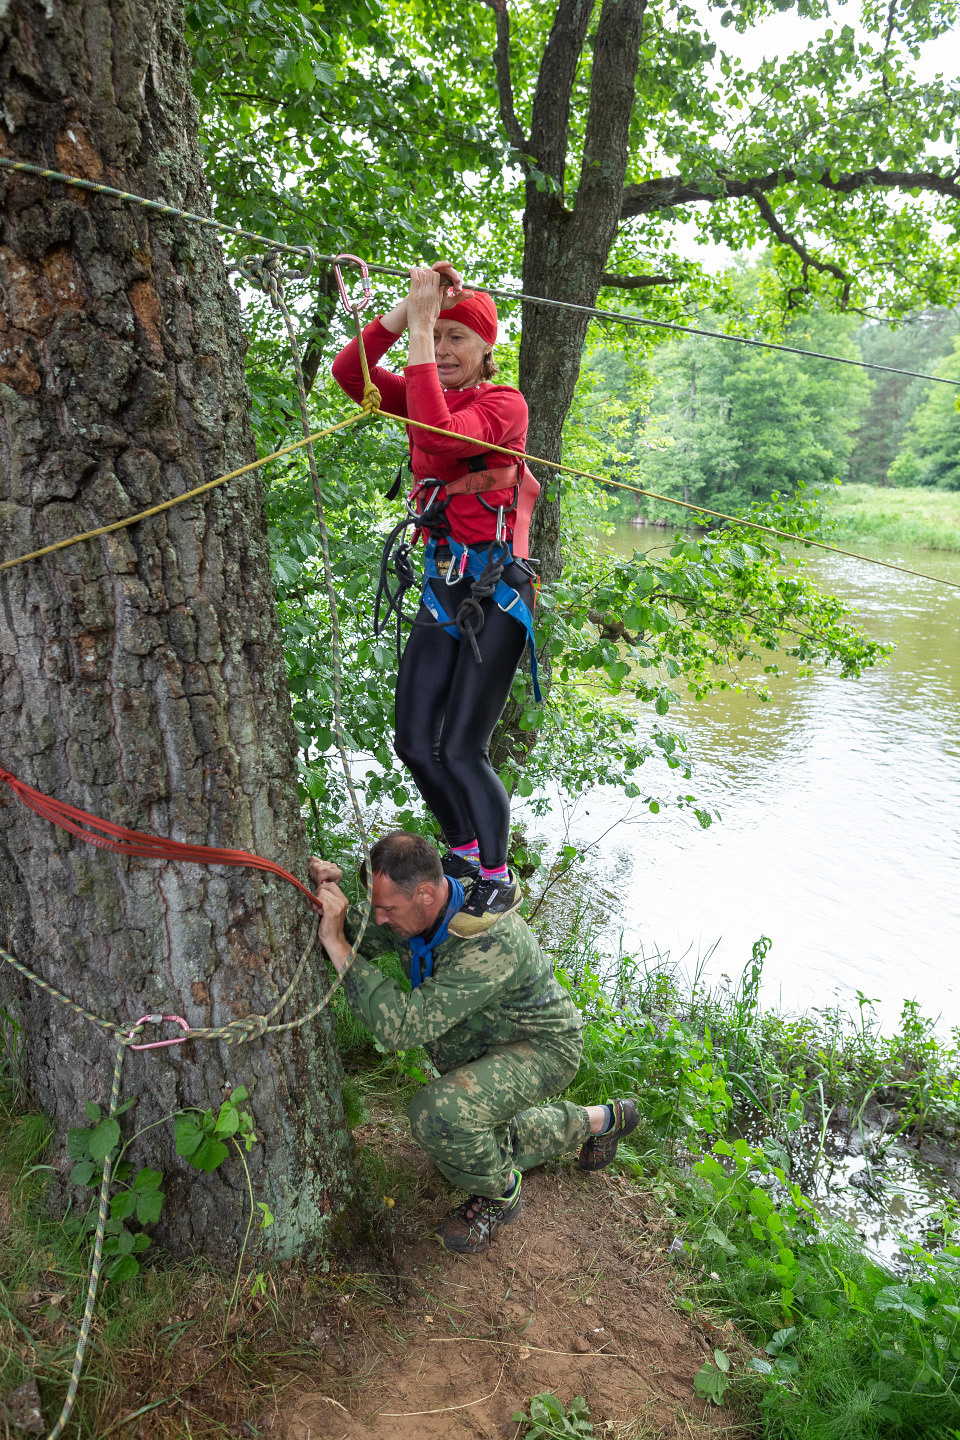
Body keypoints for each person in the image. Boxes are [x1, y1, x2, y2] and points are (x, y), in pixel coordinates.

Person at [309, 833, 639, 1255]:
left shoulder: (487, 939)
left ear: (425, 894)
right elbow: (353, 930)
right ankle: (605, 1120)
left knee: (441, 1116)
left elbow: (402, 1027)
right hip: (490, 1039)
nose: (378, 919)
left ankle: (500, 1192)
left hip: (541, 1048)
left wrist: (336, 944)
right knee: (483, 1138)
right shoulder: (420, 909)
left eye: (386, 909)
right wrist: (325, 894)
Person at [331, 264, 540, 924]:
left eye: (458, 338)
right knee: (416, 743)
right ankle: (467, 852)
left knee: (462, 749)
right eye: (439, 337)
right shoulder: (430, 394)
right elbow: (348, 376)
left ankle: (498, 876)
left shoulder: (503, 405)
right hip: (445, 583)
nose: (444, 350)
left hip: (497, 591)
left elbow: (437, 438)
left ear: (486, 350)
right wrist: (402, 313)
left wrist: (422, 323)